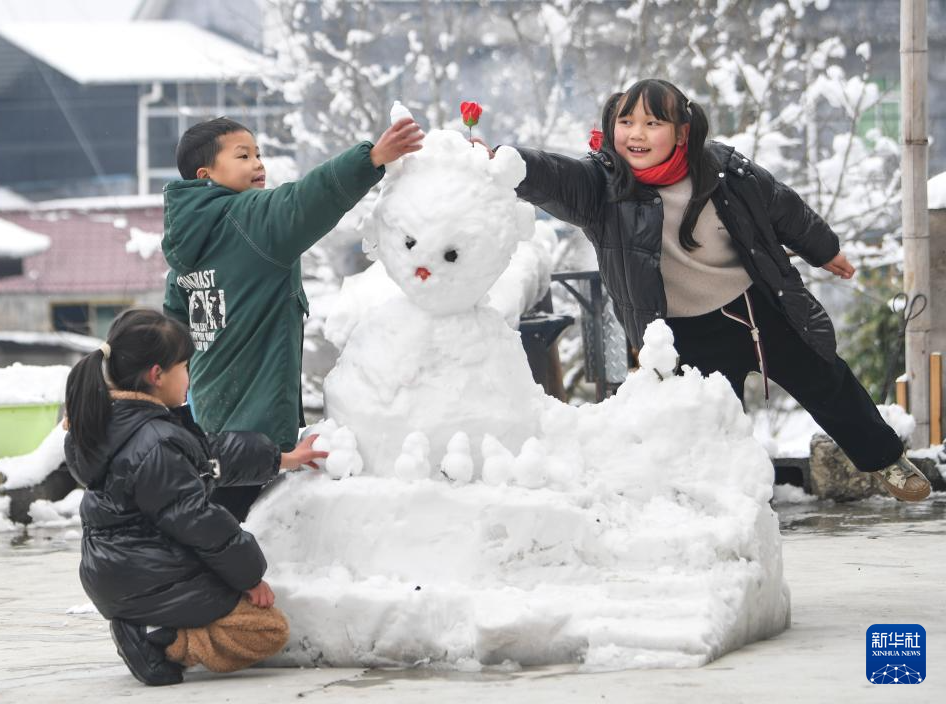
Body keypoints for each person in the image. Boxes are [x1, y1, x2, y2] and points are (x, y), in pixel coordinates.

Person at [477, 78, 930, 502]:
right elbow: (552, 174)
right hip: (682, 332)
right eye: (626, 121)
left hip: (756, 308)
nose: (636, 133)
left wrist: (823, 247)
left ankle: (886, 460)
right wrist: (502, 160)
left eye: (653, 123)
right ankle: (722, 508)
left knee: (827, 378)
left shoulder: (724, 170)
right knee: (709, 426)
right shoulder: (601, 188)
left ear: (681, 133)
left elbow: (782, 207)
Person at [163, 116, 424, 521]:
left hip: (208, 422)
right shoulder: (250, 219)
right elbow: (306, 199)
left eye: (258, 154)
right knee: (239, 535)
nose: (258, 164)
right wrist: (370, 159)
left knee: (212, 522)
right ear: (206, 174)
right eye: (243, 155)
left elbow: (173, 330)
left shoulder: (185, 243)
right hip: (255, 427)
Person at [63, 309, 328, 686]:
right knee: (266, 629)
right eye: (185, 366)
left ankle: (149, 625)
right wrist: (250, 577)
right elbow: (200, 521)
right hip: (147, 577)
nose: (190, 376)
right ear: (157, 375)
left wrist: (283, 459)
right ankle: (159, 638)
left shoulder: (114, 426)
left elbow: (208, 458)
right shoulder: (155, 442)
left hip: (119, 572)